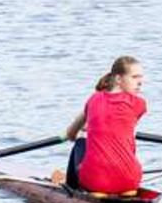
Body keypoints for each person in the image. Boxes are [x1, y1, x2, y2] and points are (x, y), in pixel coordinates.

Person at [57, 56, 147, 195]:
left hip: (97, 182)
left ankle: (71, 188)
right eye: (134, 77)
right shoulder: (140, 104)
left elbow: (71, 133)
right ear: (118, 79)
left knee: (81, 139)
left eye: (141, 77)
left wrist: (81, 132)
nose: (140, 82)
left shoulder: (94, 99)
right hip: (130, 181)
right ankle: (124, 187)